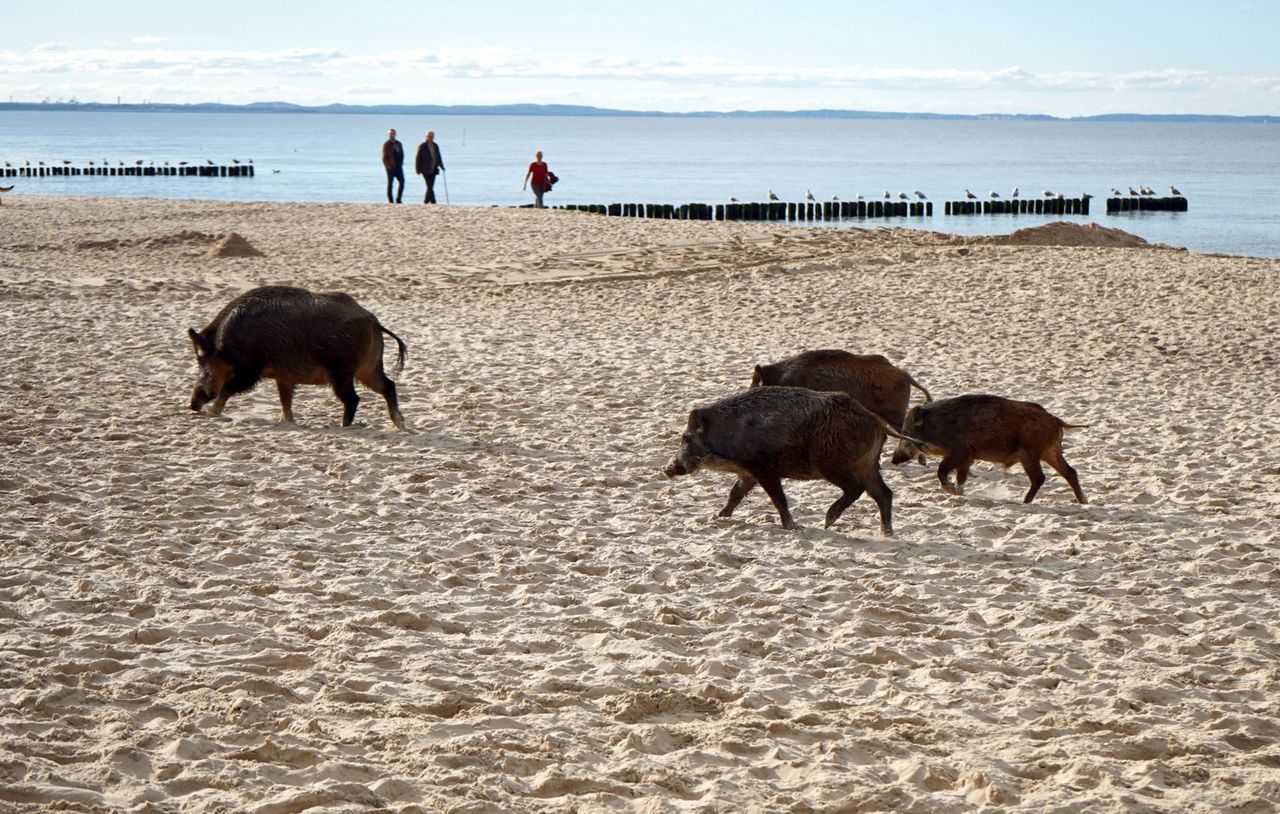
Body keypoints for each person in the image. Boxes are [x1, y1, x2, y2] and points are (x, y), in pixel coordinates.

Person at [414, 131, 445, 204]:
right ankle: (433, 202)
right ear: (426, 137)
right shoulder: (422, 146)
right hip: (425, 169)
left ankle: (426, 201)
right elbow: (418, 158)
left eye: (432, 136)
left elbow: (438, 157)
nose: (431, 137)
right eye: (429, 136)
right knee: (430, 186)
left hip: (434, 169)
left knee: (430, 187)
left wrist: (442, 166)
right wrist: (417, 169)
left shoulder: (435, 146)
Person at [382, 128, 404, 203]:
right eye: (390, 134)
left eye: (393, 133)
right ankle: (390, 200)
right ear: (388, 135)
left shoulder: (399, 144)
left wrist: (400, 164)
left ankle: (398, 199)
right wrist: (387, 166)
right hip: (390, 168)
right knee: (390, 184)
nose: (392, 135)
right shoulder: (386, 144)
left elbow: (402, 155)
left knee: (402, 182)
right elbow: (384, 157)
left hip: (398, 167)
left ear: (395, 134)